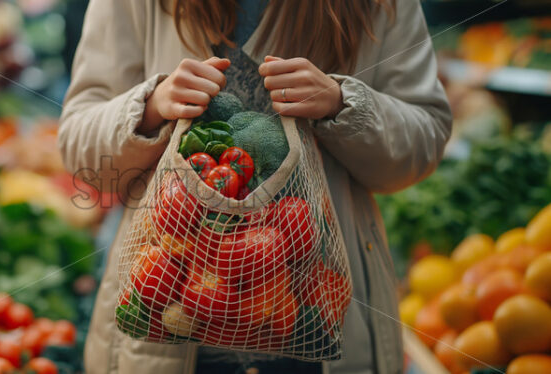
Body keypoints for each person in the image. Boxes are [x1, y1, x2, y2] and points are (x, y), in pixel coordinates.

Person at [59, 0, 452, 373]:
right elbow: (79, 145)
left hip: (323, 326)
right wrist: (150, 106)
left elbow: (424, 141)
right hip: (165, 327)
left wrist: (342, 103)